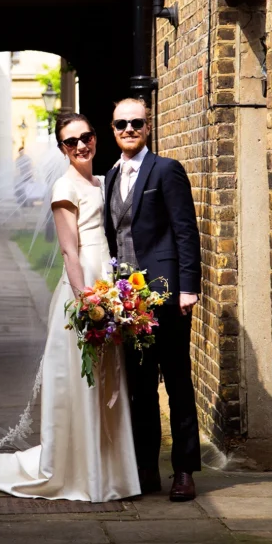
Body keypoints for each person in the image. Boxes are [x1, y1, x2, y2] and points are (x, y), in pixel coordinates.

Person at [0, 113, 140, 501]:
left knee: (109, 374)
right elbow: (69, 250)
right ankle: (78, 469)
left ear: (95, 138)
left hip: (108, 276)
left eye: (85, 137)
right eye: (70, 142)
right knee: (81, 378)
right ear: (61, 149)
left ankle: (110, 469)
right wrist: (86, 299)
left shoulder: (104, 182)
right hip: (85, 288)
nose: (80, 146)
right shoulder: (63, 186)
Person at [104, 97, 202, 501]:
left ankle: (183, 470)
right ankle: (147, 469)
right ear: (113, 129)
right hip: (128, 299)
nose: (128, 129)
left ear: (148, 127)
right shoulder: (108, 176)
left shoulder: (167, 170)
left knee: (177, 382)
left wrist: (188, 287)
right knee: (140, 388)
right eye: (121, 123)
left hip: (166, 294)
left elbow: (185, 231)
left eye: (136, 123)